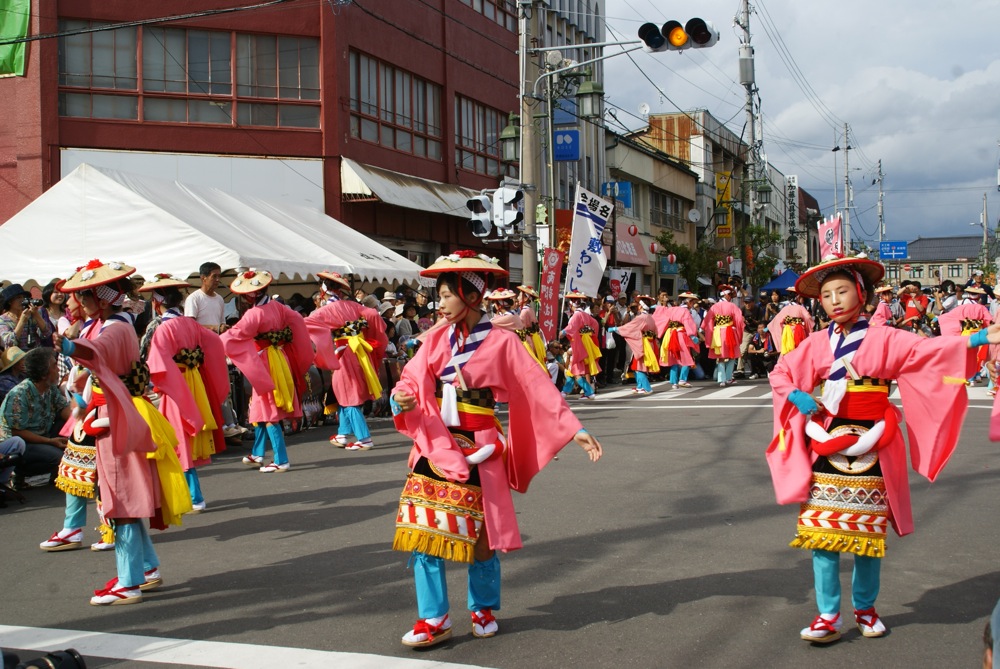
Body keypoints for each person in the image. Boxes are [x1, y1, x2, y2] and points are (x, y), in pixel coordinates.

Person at [766, 253, 1000, 643]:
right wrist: (795, 393)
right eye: (826, 295)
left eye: (842, 291)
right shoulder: (815, 343)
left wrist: (977, 338)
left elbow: (929, 352)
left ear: (862, 294)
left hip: (874, 438)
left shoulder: (885, 337)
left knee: (866, 537)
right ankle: (827, 615)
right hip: (826, 443)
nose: (835, 300)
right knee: (821, 535)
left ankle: (865, 608)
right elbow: (781, 371)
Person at [389, 250, 603, 648]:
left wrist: (574, 429)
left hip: (483, 444)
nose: (440, 304)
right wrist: (401, 397)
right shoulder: (434, 339)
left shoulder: (503, 341)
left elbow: (536, 386)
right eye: (439, 296)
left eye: (447, 295)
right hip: (437, 442)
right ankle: (433, 617)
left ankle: (482, 607)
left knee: (482, 537)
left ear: (471, 297)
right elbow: (411, 379)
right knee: (421, 531)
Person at [55, 260, 190, 605]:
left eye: (86, 296)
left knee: (122, 501)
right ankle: (146, 567)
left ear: (101, 299)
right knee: (121, 496)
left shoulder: (114, 329)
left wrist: (69, 347)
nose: (81, 302)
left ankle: (129, 581)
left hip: (116, 415)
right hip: (114, 410)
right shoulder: (113, 324)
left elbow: (94, 354)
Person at [141, 275, 228, 512]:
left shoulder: (162, 327)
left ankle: (192, 495)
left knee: (177, 437)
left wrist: (156, 384)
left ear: (157, 302)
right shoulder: (191, 324)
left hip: (175, 384)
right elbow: (214, 343)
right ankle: (186, 493)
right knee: (185, 436)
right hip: (194, 381)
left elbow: (155, 363)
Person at [221, 269, 312, 472]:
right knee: (260, 408)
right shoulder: (279, 307)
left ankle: (281, 459)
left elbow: (233, 336)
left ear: (251, 294)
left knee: (269, 409)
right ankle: (257, 453)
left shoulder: (254, 314)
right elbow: (297, 320)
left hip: (266, 362)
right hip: (280, 357)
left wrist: (213, 342)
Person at [304, 271, 387, 451]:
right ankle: (343, 433)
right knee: (343, 392)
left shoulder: (326, 310)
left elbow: (306, 324)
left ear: (324, 288)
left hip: (344, 352)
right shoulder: (353, 306)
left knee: (348, 395)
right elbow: (373, 315)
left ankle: (364, 438)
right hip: (359, 350)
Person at [2, 347, 72, 489]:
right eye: (54, 366)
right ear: (43, 373)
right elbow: (16, 432)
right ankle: (20, 473)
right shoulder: (19, 394)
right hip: (23, 443)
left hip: (43, 436)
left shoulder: (50, 388)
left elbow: (64, 409)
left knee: (66, 424)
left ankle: (56, 473)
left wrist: (80, 426)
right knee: (61, 458)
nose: (58, 370)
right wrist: (51, 441)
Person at [610, 295, 659, 394]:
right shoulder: (650, 317)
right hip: (649, 343)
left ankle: (646, 387)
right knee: (637, 365)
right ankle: (640, 386)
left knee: (639, 366)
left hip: (642, 344)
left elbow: (630, 327)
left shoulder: (641, 317)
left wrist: (617, 329)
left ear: (640, 307)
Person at [653, 292, 700, 389]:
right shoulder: (685, 311)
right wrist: (692, 336)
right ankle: (682, 379)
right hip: (681, 335)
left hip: (670, 334)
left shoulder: (672, 309)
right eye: (692, 302)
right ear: (689, 302)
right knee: (687, 356)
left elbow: (661, 317)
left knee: (674, 358)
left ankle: (674, 382)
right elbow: (688, 323)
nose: (692, 304)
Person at [559, 292, 602, 400]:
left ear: (572, 304)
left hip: (578, 344)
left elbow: (571, 327)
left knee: (576, 370)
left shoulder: (576, 315)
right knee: (573, 370)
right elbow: (595, 325)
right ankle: (565, 391)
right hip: (584, 343)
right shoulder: (585, 315)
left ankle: (589, 392)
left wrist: (563, 332)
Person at [703, 284, 745, 387]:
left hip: (718, 332)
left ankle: (721, 379)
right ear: (726, 295)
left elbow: (707, 322)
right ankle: (728, 377)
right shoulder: (732, 306)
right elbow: (739, 321)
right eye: (730, 295)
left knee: (720, 356)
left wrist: (710, 334)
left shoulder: (714, 307)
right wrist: (738, 332)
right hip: (730, 331)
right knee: (732, 355)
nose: (730, 297)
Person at [0, 283, 51, 351]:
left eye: (24, 297)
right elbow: (9, 343)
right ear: (10, 302)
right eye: (19, 297)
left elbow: (47, 333)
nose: (23, 300)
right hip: (17, 358)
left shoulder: (32, 313)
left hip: (36, 355)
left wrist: (36, 315)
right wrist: (22, 321)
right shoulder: (2, 319)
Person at [184, 262, 227, 334]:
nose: (217, 280)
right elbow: (190, 326)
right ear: (203, 278)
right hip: (200, 343)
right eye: (214, 276)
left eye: (219, 276)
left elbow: (222, 323)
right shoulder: (194, 298)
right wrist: (214, 328)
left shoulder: (219, 299)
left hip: (217, 342)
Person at [515, 285, 547, 368]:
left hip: (527, 341)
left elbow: (519, 328)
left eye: (519, 295)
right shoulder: (530, 310)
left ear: (525, 299)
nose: (518, 297)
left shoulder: (524, 312)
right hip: (533, 340)